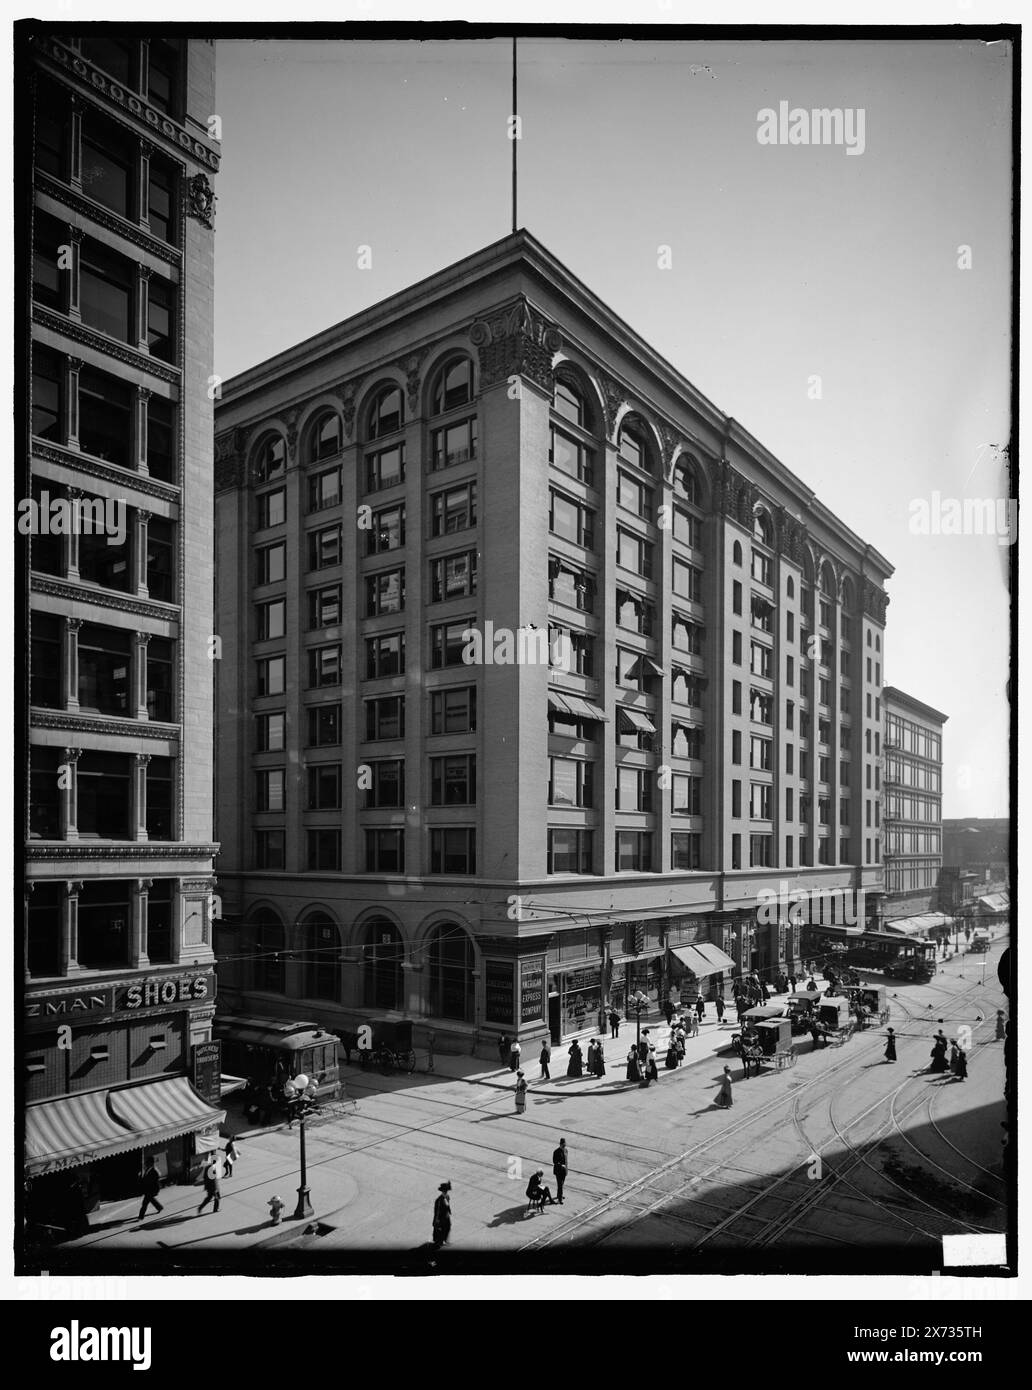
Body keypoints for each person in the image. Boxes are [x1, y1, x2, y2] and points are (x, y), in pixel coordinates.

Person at [432, 1182, 452, 1248]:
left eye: (446, 1191)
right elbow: (437, 1211)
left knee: (448, 1227)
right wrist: (437, 1219)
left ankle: (444, 1240)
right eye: (444, 1191)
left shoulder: (447, 1197)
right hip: (441, 1217)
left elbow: (447, 1205)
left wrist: (449, 1212)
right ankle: (440, 1242)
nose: (445, 1192)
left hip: (446, 1216)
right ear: (442, 1191)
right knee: (441, 1229)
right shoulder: (439, 1200)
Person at [552, 1139, 569, 1203]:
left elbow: (566, 1161)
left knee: (561, 1184)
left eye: (565, 1144)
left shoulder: (566, 1150)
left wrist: (567, 1169)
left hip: (564, 1170)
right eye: (563, 1145)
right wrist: (561, 1165)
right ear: (560, 1144)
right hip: (558, 1171)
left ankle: (558, 1195)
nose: (564, 1146)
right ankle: (560, 1199)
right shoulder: (556, 1152)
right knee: (560, 1184)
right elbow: (554, 1161)